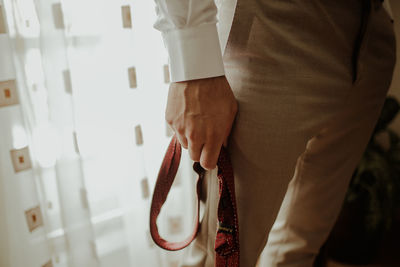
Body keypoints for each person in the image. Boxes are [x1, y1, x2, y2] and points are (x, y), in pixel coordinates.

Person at [153, 0, 397, 266]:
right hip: (272, 27)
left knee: (298, 247)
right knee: (219, 257)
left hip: (372, 33)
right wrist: (193, 69)